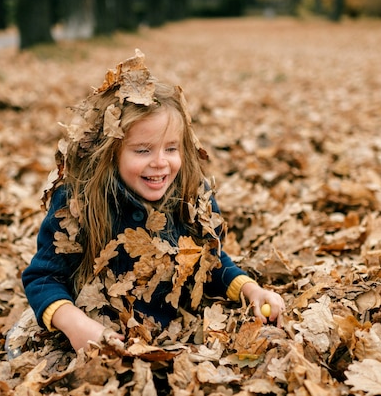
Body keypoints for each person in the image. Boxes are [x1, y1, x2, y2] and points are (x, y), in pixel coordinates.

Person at [22, 50, 285, 352]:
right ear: (112, 152)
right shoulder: (78, 202)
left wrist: (249, 289)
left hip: (176, 340)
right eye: (143, 150)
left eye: (171, 149)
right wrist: (73, 321)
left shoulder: (192, 196)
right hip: (96, 339)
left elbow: (211, 265)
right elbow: (43, 277)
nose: (160, 163)